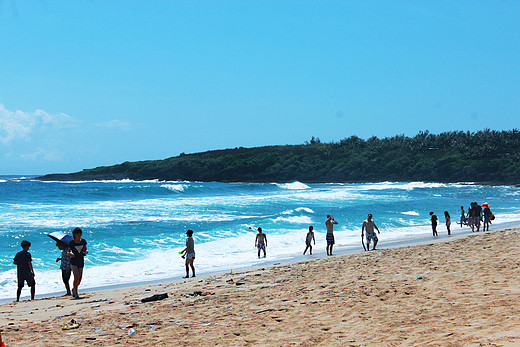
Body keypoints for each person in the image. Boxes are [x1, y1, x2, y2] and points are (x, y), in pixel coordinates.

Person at [68, 227, 88, 299]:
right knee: (76, 277)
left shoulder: (83, 241)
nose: (79, 235)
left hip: (81, 260)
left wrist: (86, 252)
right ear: (74, 234)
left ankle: (74, 288)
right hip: (73, 261)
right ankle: (76, 293)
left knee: (79, 279)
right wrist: (70, 253)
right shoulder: (72, 242)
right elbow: (68, 251)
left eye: (80, 233)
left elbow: (86, 249)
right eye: (77, 233)